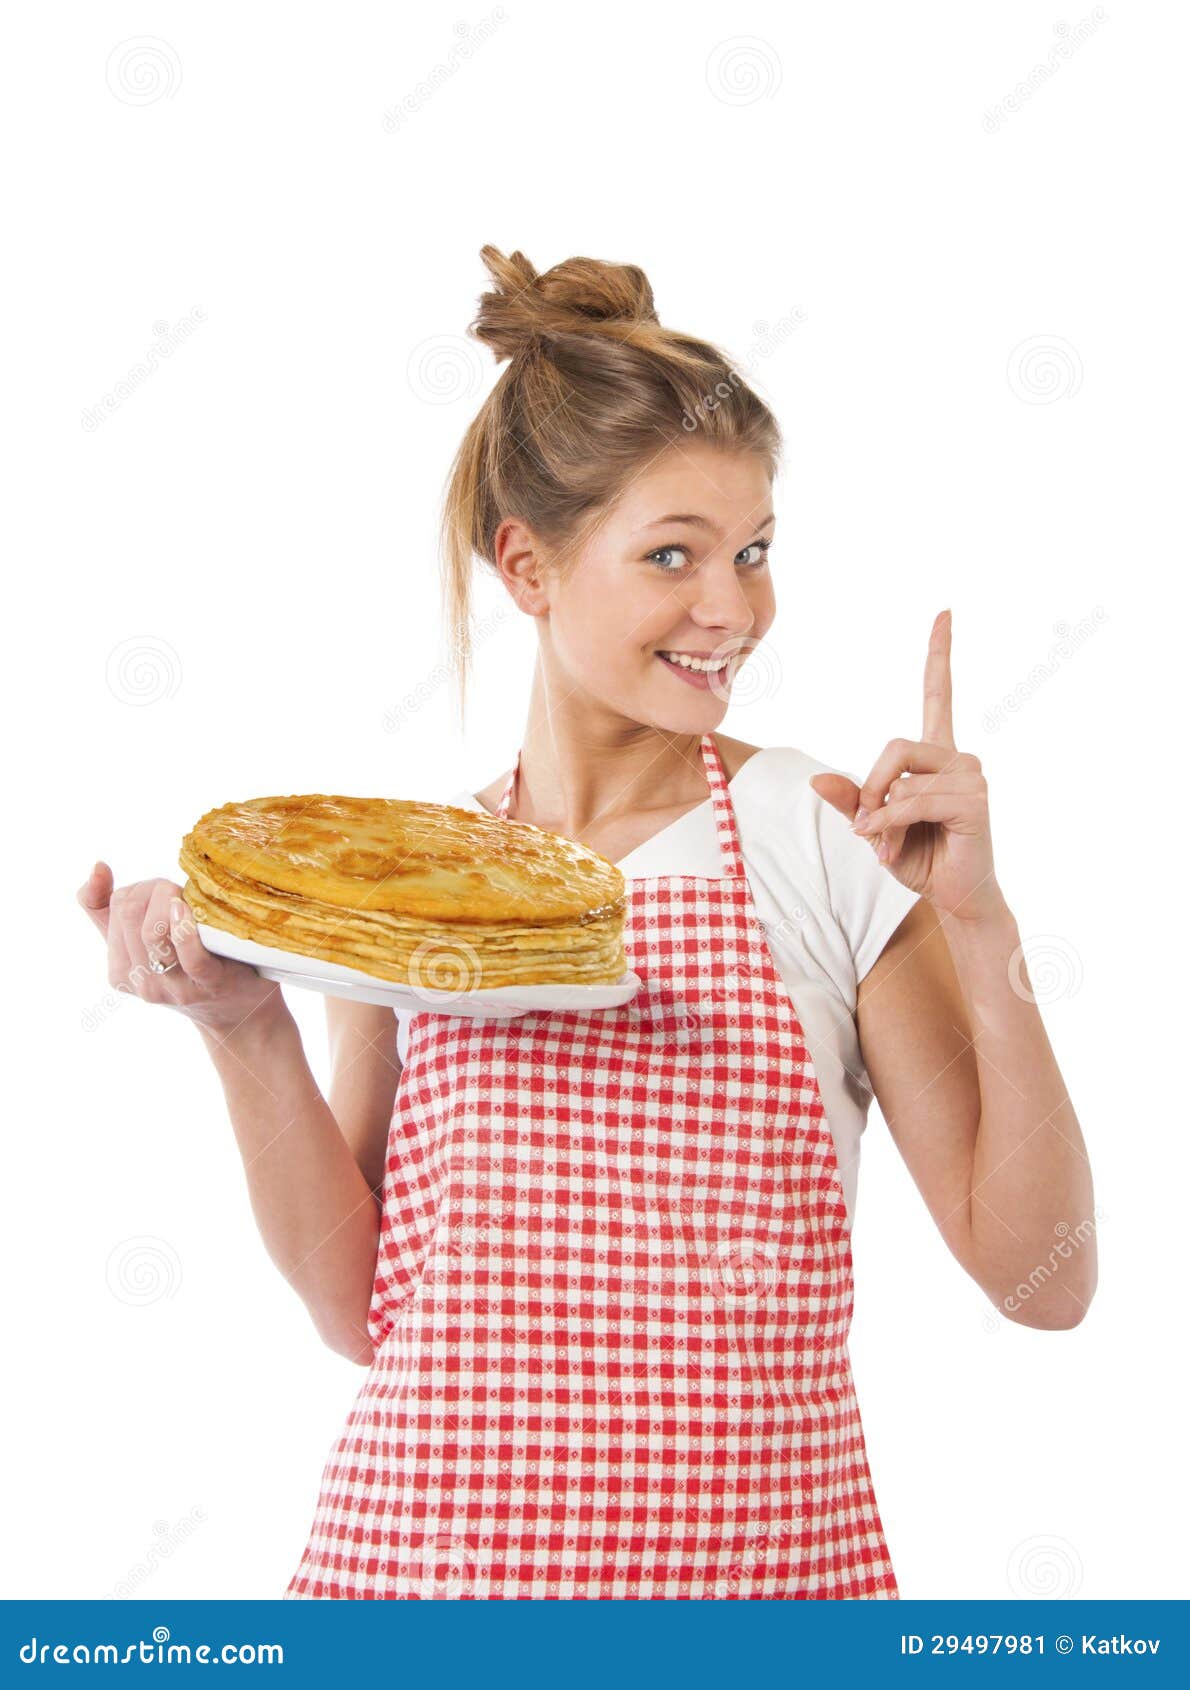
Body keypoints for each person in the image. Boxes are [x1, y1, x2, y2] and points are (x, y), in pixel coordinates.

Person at [79, 245, 1097, 1600]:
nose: (730, 608)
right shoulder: (414, 871)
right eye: (670, 554)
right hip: (420, 1598)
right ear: (527, 566)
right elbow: (358, 1312)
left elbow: (1042, 1283)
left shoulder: (823, 837)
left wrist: (980, 926)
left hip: (757, 1605)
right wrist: (241, 1025)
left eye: (751, 551)